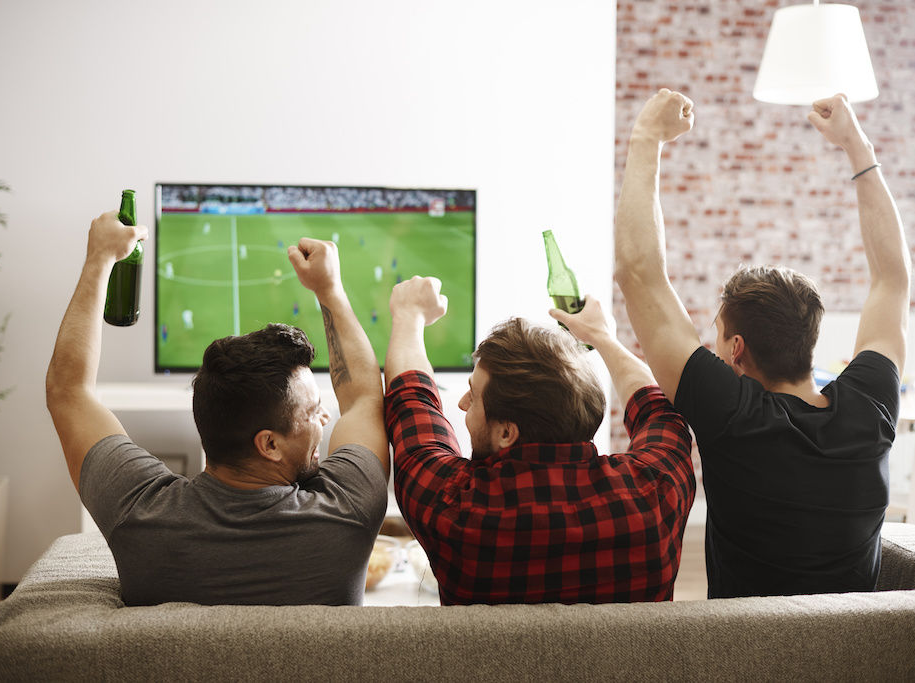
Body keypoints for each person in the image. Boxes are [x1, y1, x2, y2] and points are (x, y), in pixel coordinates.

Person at [614, 89, 910, 598]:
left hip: (744, 660)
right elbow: (893, 280)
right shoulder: (870, 408)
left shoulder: (733, 416)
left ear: (736, 349)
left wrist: (646, 139)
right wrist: (855, 146)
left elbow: (639, 274)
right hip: (860, 660)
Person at [46, 217, 389, 607]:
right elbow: (364, 399)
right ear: (269, 444)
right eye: (313, 412)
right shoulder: (349, 510)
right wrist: (330, 289)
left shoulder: (137, 511)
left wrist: (99, 260)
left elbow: (68, 392)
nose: (325, 419)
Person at [383, 280, 695, 605]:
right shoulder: (656, 493)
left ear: (507, 432)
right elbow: (654, 405)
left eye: (474, 396)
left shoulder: (453, 508)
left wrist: (409, 314)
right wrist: (602, 337)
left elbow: (412, 399)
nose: (463, 403)